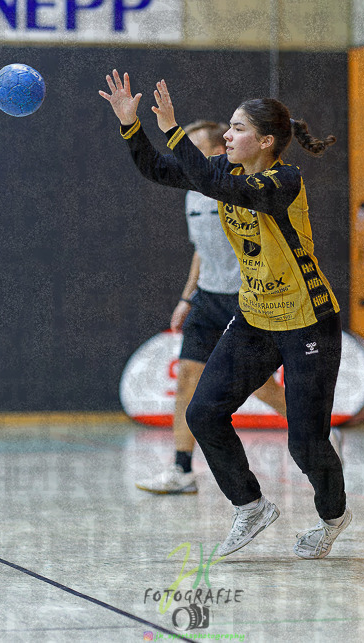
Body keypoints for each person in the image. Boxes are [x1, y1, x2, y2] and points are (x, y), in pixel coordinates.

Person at [100, 71, 350, 559]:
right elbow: (158, 169)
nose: (228, 136)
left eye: (237, 129)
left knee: (305, 442)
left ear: (266, 141)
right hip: (256, 317)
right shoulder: (225, 173)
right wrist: (131, 125)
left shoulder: (284, 180)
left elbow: (215, 182)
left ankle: (332, 516)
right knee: (203, 411)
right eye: (229, 129)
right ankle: (250, 504)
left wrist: (174, 130)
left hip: (307, 321)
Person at [136, 120, 288, 495]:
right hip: (207, 298)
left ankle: (316, 433)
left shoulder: (239, 190)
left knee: (261, 387)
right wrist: (187, 297)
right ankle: (182, 469)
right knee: (188, 377)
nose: (181, 155)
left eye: (191, 147)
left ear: (217, 153)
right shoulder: (191, 192)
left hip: (246, 298)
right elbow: (201, 252)